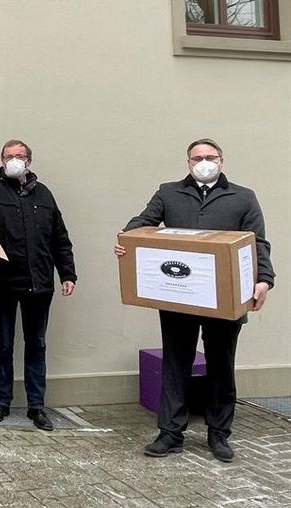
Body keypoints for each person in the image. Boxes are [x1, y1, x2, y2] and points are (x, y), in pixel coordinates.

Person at [115, 138, 274, 462]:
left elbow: (259, 243)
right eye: (197, 158)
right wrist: (126, 242)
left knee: (221, 365)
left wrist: (264, 280)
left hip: (225, 299)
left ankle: (219, 435)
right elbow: (142, 223)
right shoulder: (169, 192)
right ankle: (170, 434)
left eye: (210, 157)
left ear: (222, 160)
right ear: (188, 163)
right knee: (175, 364)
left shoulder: (242, 197)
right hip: (179, 298)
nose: (204, 162)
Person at [0, 140, 77, 431]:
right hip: (3, 281)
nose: (14, 160)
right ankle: (1, 402)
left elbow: (60, 237)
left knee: (37, 345)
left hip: (40, 283)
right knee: (3, 344)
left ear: (29, 161)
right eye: (9, 156)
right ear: (1, 161)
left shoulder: (44, 194)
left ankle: (36, 406)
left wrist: (67, 274)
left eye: (19, 156)